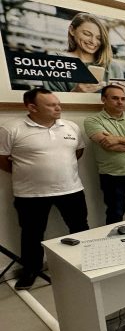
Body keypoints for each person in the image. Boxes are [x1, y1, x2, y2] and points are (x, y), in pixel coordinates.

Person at [0, 88, 89, 290]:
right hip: (30, 194)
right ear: (32, 107)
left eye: (58, 104)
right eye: (51, 105)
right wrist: (30, 172)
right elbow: (3, 159)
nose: (58, 108)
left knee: (80, 227)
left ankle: (87, 262)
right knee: (31, 234)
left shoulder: (71, 126)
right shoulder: (11, 129)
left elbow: (78, 152)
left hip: (71, 189)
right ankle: (31, 270)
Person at [84, 85, 125, 224]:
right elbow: (109, 146)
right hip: (112, 176)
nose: (120, 102)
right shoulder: (93, 121)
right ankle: (116, 238)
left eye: (123, 99)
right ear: (104, 99)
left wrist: (117, 139)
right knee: (115, 213)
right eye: (115, 98)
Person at [45, 12, 125, 93]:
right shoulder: (55, 63)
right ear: (72, 30)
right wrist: (76, 93)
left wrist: (123, 94)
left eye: (99, 38)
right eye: (87, 34)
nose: (93, 41)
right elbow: (49, 100)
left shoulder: (113, 67)